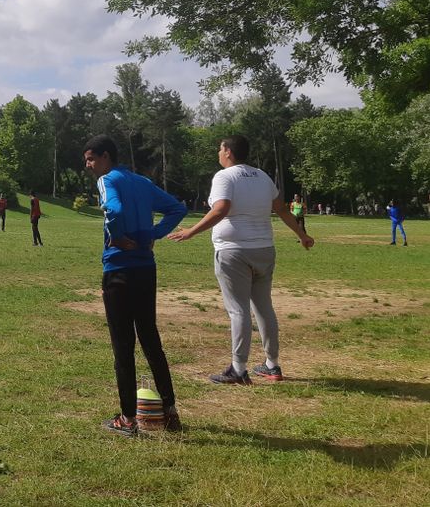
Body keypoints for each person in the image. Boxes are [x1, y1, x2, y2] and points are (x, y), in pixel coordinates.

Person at [169, 134, 314, 384]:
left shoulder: (224, 177)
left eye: (219, 149)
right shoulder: (263, 176)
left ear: (228, 152)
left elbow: (221, 208)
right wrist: (301, 235)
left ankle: (239, 368)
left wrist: (190, 231)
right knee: (264, 307)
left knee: (238, 310)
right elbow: (280, 209)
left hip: (234, 250)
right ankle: (272, 365)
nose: (218, 153)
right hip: (264, 249)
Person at [84, 135, 186, 436]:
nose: (88, 166)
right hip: (146, 270)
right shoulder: (142, 182)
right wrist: (153, 234)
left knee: (123, 344)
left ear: (105, 157)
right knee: (151, 340)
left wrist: (115, 236)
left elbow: (113, 211)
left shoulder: (107, 181)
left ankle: (127, 419)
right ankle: (169, 412)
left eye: (90, 159)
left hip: (118, 270)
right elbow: (177, 209)